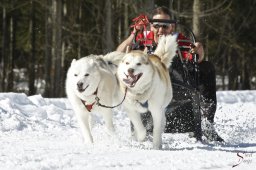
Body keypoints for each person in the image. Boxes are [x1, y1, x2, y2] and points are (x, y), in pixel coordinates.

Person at [117, 6, 223, 142]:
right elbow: (118, 56)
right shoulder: (143, 41)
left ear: (172, 27)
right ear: (151, 27)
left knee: (206, 67)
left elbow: (196, 59)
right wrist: (133, 34)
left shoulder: (180, 40)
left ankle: (208, 124)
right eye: (157, 26)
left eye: (165, 27)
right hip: (146, 91)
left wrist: (199, 52)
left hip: (177, 86)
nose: (160, 30)